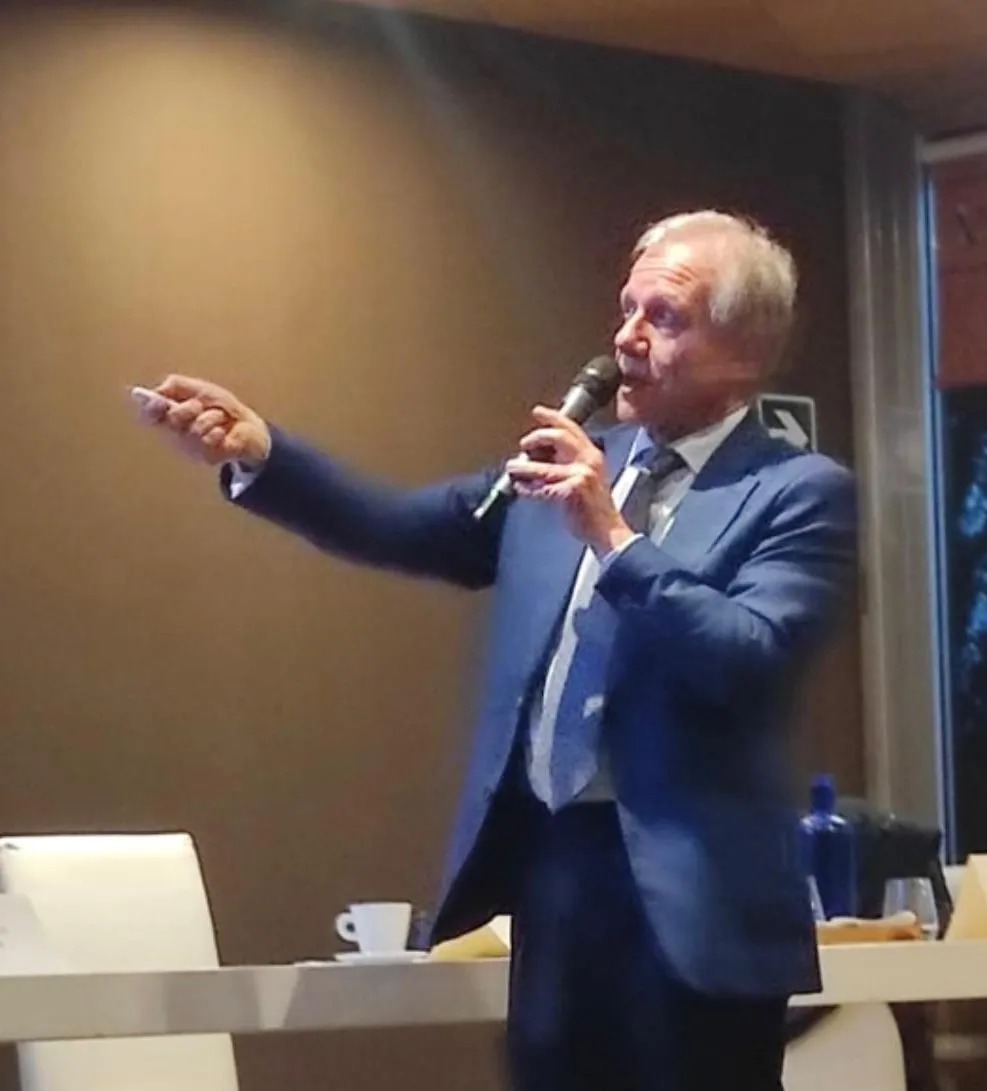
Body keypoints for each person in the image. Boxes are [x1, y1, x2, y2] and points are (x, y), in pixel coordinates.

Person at [135, 210, 856, 1091]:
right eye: (626, 309)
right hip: (555, 877)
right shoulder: (567, 470)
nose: (625, 338)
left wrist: (612, 538)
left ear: (744, 349)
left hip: (696, 909)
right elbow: (396, 526)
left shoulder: (794, 491)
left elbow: (747, 657)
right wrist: (264, 455)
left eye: (663, 318)